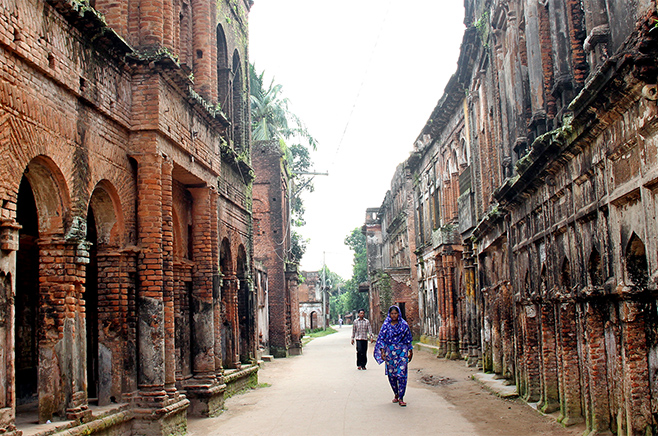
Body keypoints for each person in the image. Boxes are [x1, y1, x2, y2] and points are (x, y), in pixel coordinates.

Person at [374, 305, 413, 407]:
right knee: (392, 376)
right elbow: (381, 339)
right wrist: (382, 352)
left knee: (402, 375)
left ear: (399, 314)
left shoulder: (404, 325)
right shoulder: (386, 325)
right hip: (390, 353)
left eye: (395, 313)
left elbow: (408, 339)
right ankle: (395, 393)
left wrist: (410, 351)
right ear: (389, 314)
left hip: (402, 351)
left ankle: (401, 397)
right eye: (392, 314)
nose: (394, 315)